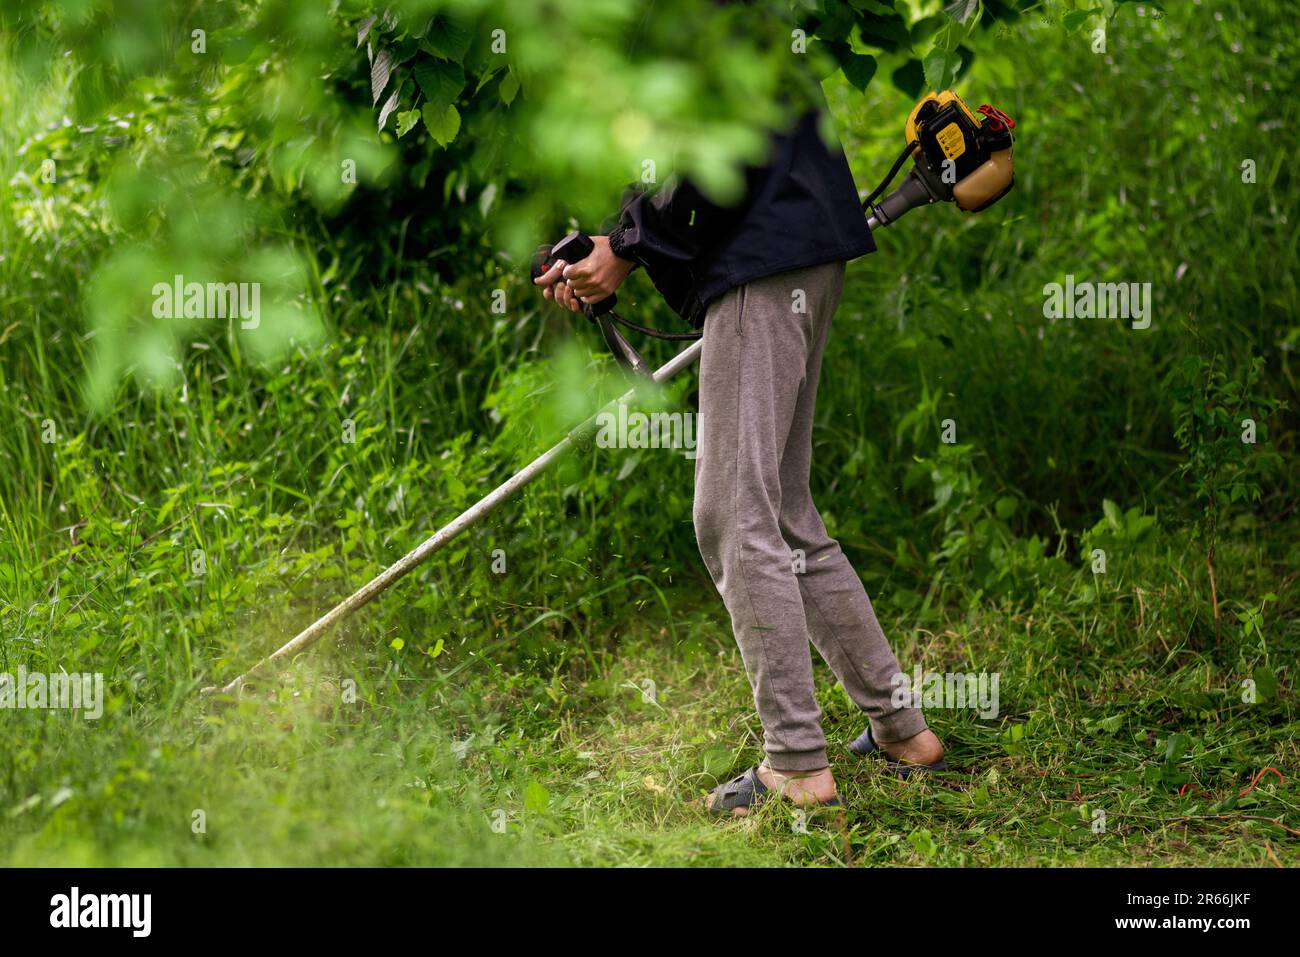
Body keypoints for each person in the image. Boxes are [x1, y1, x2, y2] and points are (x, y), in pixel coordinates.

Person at [534, 96, 946, 817]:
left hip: (765, 265)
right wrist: (614, 241)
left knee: (732, 514)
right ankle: (902, 730)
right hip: (797, 254)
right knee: (782, 512)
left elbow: (709, 131)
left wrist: (626, 247)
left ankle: (795, 762)